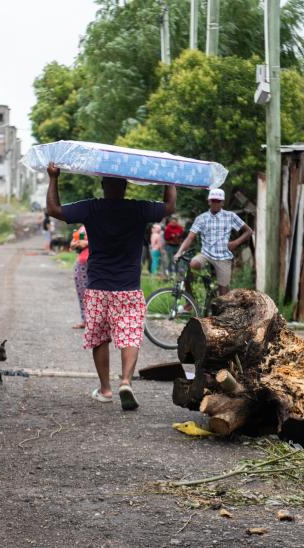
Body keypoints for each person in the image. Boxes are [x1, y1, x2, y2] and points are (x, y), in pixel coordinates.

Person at [46, 162, 176, 411]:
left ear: (103, 186)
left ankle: (105, 389)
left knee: (100, 338)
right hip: (128, 288)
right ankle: (126, 381)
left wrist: (54, 178)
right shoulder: (138, 209)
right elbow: (169, 207)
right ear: (126, 186)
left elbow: (53, 209)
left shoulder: (92, 207)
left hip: (97, 287)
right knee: (130, 336)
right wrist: (168, 179)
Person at [173, 188, 252, 296]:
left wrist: (236, 243)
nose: (215, 203)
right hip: (206, 254)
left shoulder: (230, 216)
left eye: (218, 201)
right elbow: (190, 237)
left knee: (223, 294)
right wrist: (179, 252)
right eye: (213, 200)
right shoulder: (202, 218)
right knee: (190, 265)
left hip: (223, 256)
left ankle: (218, 302)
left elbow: (249, 231)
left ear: (222, 203)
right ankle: (189, 301)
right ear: (209, 201)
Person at [70, 224, 90, 329]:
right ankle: (85, 320)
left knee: (98, 293)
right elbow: (72, 244)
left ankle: (99, 323)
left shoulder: (101, 224)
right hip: (82, 263)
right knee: (82, 292)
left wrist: (86, 243)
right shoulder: (83, 228)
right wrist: (76, 244)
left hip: (98, 264)